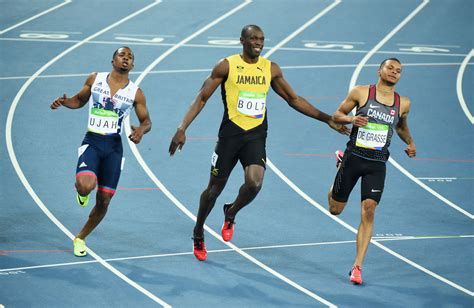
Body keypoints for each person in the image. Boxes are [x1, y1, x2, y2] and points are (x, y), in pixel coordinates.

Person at [169, 24, 349, 261]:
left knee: (254, 184)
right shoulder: (227, 65)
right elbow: (202, 97)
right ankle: (198, 231)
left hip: (255, 136)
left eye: (261, 39)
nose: (258, 42)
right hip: (230, 137)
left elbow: (293, 99)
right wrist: (182, 128)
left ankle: (231, 212)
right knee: (213, 190)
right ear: (242, 40)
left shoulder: (270, 69)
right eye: (253, 38)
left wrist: (327, 119)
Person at [50, 46, 151, 257]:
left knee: (104, 200)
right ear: (112, 60)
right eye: (122, 55)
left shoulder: (135, 93)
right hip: (93, 142)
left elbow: (147, 121)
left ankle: (80, 237)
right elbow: (79, 100)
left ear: (132, 65)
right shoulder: (95, 79)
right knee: (86, 186)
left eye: (130, 57)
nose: (126, 58)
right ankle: (82, 191)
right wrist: (65, 102)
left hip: (114, 148)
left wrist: (141, 130)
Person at [328, 58, 416, 284]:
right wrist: (351, 119)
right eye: (390, 68)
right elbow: (336, 116)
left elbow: (401, 126)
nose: (394, 73)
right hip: (354, 157)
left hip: (377, 163)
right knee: (335, 209)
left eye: (398, 71)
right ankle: (339, 165)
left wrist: (410, 143)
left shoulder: (403, 102)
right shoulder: (361, 92)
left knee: (369, 210)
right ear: (379, 70)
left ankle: (357, 266)